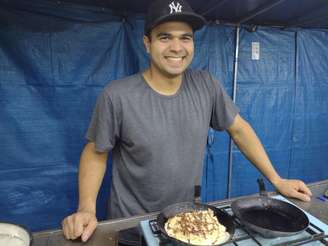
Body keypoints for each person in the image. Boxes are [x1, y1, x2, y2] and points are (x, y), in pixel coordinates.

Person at [62, 0, 312, 245]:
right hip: (132, 226)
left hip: (186, 224)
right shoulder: (117, 96)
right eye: (165, 37)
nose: (176, 47)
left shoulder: (206, 85)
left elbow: (239, 129)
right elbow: (96, 153)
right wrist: (87, 209)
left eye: (185, 37)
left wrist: (277, 180)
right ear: (147, 44)